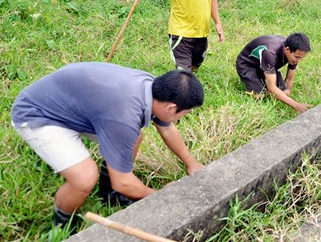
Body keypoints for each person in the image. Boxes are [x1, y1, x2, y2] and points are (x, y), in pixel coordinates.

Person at [10, 62, 205, 232]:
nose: (182, 118)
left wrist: (191, 163)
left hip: (72, 105)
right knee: (84, 178)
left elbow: (167, 128)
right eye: (184, 113)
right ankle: (61, 226)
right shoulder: (124, 117)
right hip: (37, 114)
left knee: (134, 136)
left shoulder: (152, 88)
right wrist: (160, 196)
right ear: (171, 107)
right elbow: (123, 181)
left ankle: (110, 194)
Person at [236, 33, 312, 113]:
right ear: (287, 50)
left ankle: (267, 87)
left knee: (285, 92)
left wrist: (288, 96)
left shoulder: (294, 53)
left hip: (267, 65)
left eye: (301, 58)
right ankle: (257, 89)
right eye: (297, 57)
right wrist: (296, 105)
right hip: (247, 65)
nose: (298, 60)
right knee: (259, 95)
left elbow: (290, 79)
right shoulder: (270, 53)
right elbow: (271, 87)